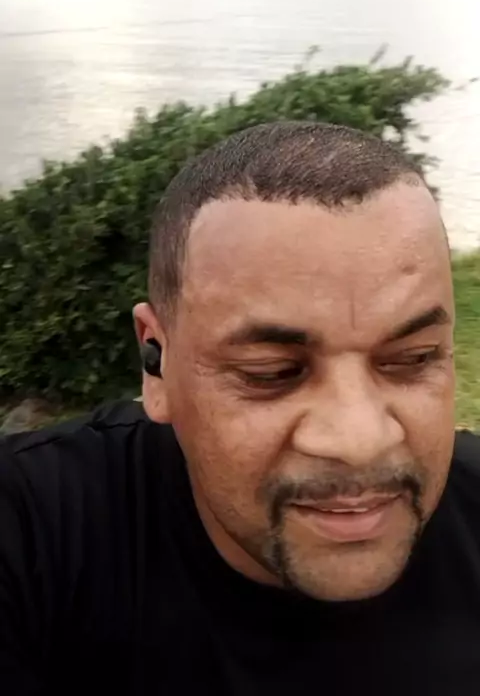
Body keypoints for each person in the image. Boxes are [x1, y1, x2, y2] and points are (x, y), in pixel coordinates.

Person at [1, 120, 479, 696]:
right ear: (157, 362)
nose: (359, 440)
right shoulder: (31, 534)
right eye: (270, 373)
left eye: (413, 359)